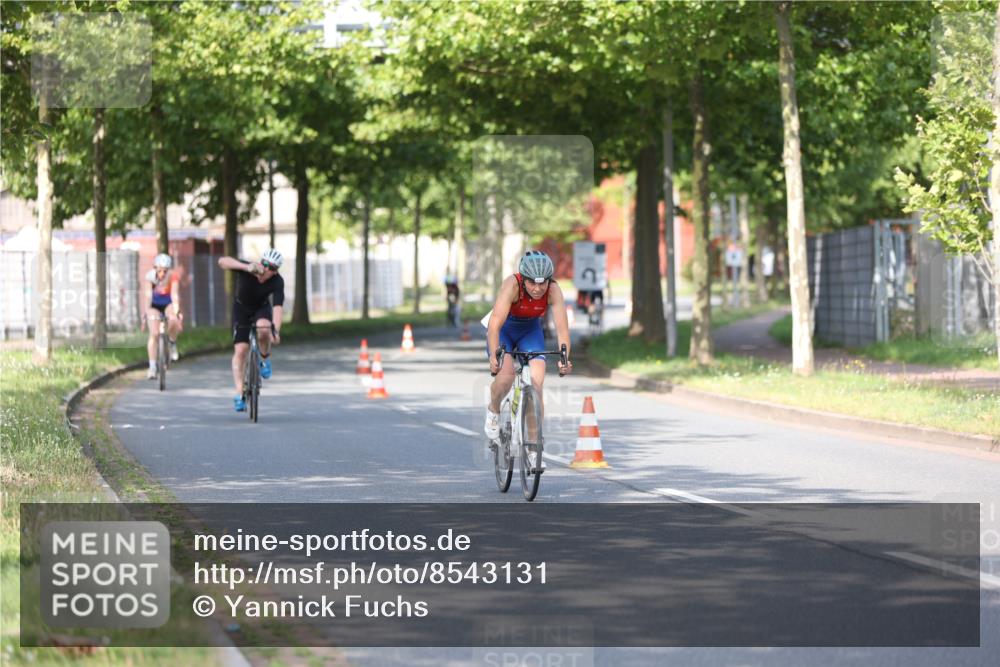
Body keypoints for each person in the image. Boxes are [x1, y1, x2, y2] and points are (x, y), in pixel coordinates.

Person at [484, 250, 572, 442]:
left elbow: (562, 330)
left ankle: (534, 444)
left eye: (542, 283)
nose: (538, 288)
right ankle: (494, 409)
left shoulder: (553, 290)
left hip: (530, 332)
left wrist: (565, 360)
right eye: (532, 282)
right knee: (506, 377)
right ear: (523, 279)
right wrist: (493, 356)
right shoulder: (512, 285)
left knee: (536, 384)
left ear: (549, 280)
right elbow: (494, 325)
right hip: (504, 330)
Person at [218, 249, 284, 412]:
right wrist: (245, 267)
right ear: (261, 262)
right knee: (241, 350)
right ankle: (239, 393)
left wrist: (276, 331)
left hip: (261, 309)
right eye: (265, 264)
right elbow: (222, 261)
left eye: (272, 268)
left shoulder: (277, 281)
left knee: (264, 329)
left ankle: (265, 358)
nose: (266, 269)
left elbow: (277, 307)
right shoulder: (248, 268)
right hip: (241, 309)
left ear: (275, 272)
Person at [144, 253, 183, 379]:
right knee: (154, 334)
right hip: (154, 304)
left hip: (168, 303)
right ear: (155, 268)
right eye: (160, 270)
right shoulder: (150, 277)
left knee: (173, 319)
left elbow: (174, 295)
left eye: (165, 271)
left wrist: (177, 311)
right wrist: (146, 313)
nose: (162, 274)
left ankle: (172, 343)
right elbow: (148, 296)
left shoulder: (173, 276)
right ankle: (152, 367)